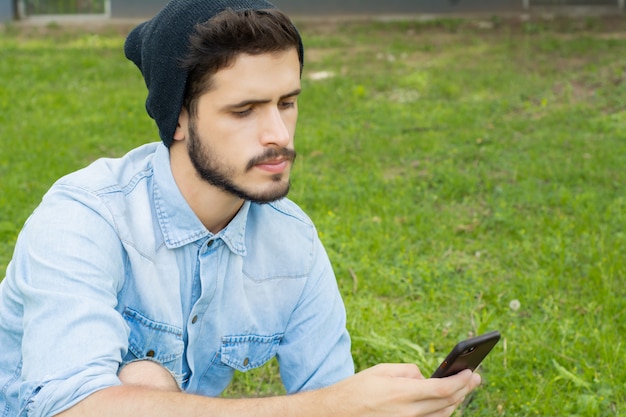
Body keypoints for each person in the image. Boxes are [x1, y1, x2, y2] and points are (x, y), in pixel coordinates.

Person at [0, 1, 481, 416]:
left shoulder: (291, 243)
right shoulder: (85, 216)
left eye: (286, 103)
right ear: (179, 118)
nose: (279, 134)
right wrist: (328, 407)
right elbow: (69, 407)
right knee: (144, 383)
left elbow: (331, 395)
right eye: (244, 110)